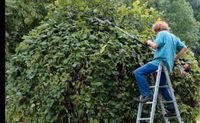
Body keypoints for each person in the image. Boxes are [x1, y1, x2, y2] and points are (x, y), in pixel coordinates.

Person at [133, 21, 187, 117]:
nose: (156, 34)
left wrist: (149, 42)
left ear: (158, 29)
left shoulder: (161, 34)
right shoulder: (173, 37)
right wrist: (175, 58)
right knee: (162, 86)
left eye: (156, 32)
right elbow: (184, 48)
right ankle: (172, 108)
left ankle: (147, 94)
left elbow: (154, 46)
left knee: (138, 72)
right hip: (168, 65)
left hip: (159, 62)